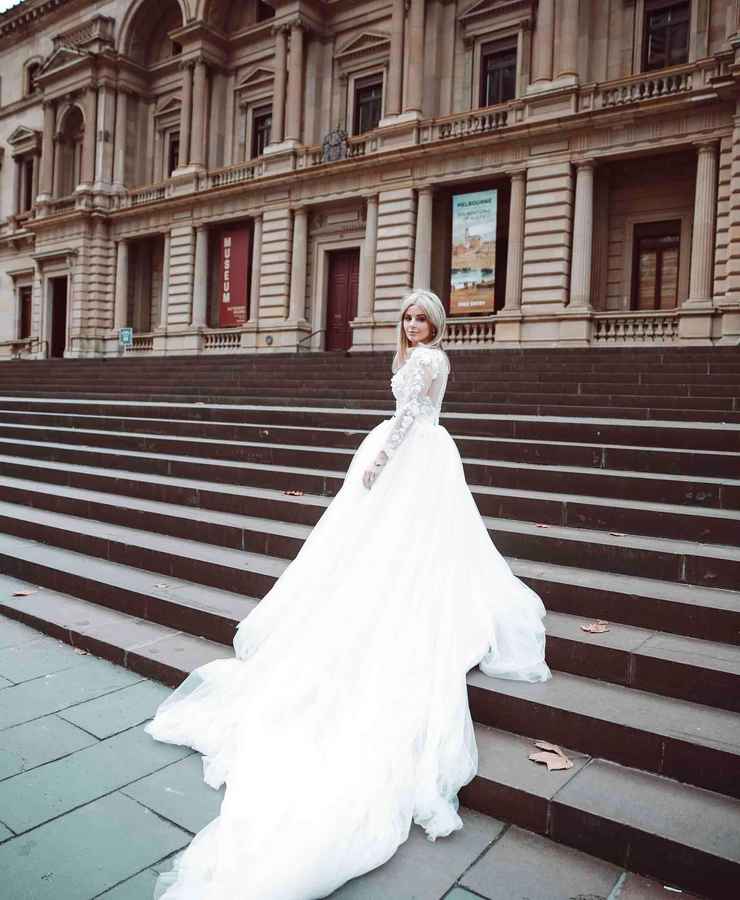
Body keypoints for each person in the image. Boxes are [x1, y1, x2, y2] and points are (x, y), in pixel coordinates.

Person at [145, 288, 551, 900]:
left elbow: (412, 418)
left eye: (422, 318)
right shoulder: (424, 358)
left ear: (436, 324)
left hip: (409, 454)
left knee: (401, 544)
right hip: (424, 455)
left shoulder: (426, 361)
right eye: (408, 317)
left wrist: (378, 461)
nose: (414, 325)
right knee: (394, 545)